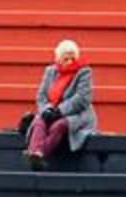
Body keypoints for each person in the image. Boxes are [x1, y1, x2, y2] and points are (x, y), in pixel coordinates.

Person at [23, 39, 98, 170]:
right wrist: (47, 110)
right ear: (58, 59)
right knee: (40, 122)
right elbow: (41, 96)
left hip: (76, 115)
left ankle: (39, 154)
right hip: (51, 111)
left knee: (58, 126)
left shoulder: (84, 72)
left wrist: (59, 111)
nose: (69, 62)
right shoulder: (50, 71)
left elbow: (82, 99)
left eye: (72, 58)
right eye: (65, 58)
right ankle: (35, 154)